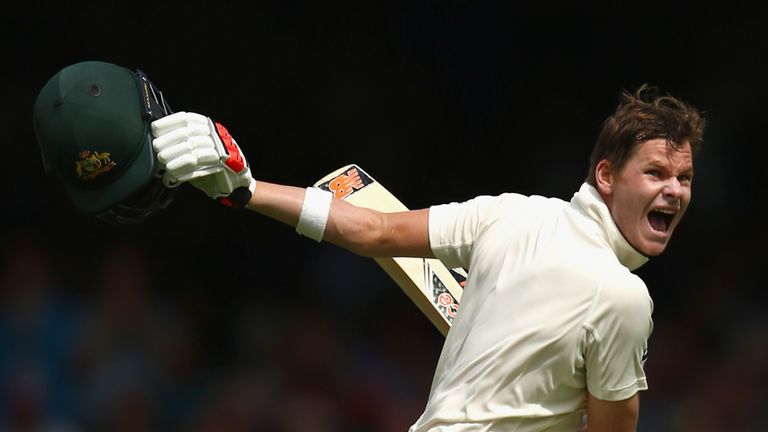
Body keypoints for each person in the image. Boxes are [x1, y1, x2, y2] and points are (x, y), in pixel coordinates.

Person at [34, 62, 704, 431]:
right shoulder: (623, 298)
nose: (673, 190)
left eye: (684, 178)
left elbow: (377, 229)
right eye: (656, 173)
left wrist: (245, 190)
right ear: (607, 177)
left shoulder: (514, 217)